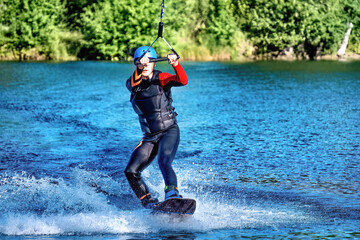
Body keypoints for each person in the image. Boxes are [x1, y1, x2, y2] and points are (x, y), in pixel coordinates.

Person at [124, 46, 188, 209]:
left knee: (164, 161)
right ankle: (148, 202)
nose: (145, 66)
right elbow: (133, 83)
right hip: (150, 137)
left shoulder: (162, 78)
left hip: (169, 131)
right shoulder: (132, 83)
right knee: (131, 171)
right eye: (141, 64)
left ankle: (172, 193)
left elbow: (182, 80)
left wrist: (175, 64)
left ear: (153, 63)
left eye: (148, 63)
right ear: (136, 64)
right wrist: (141, 65)